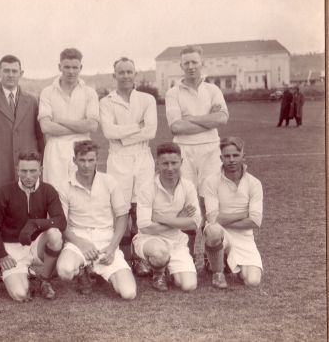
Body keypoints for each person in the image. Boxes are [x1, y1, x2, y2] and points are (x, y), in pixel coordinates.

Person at [164, 45, 229, 265]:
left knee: (211, 201)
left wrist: (191, 118)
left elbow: (221, 119)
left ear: (202, 63)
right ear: (181, 66)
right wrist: (206, 120)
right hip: (184, 151)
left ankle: (216, 258)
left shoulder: (213, 90)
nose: (191, 66)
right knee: (187, 202)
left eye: (195, 62)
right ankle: (188, 256)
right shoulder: (173, 92)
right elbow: (175, 127)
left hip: (211, 149)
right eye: (187, 63)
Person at [99, 57, 158, 276]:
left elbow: (150, 132)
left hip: (143, 157)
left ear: (135, 74)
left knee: (141, 208)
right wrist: (136, 127)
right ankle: (123, 258)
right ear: (114, 76)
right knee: (120, 209)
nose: (125, 76)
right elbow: (109, 133)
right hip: (118, 160)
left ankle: (140, 258)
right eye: (121, 72)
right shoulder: (106, 102)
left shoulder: (147, 99)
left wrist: (123, 135)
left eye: (129, 72)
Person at [56, 140, 136, 300]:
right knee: (64, 271)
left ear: (97, 160)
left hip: (106, 240)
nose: (86, 165)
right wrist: (81, 243)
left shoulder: (109, 181)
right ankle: (82, 271)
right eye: (82, 160)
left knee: (129, 293)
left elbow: (122, 216)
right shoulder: (64, 186)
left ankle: (95, 269)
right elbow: (61, 224)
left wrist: (112, 247)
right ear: (74, 160)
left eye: (91, 160)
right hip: (77, 241)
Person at [0, 151, 66, 302]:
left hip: (36, 244)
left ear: (40, 170)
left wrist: (34, 223)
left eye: (33, 171)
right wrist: (1, 255)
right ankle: (19, 272)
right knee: (20, 294)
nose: (28, 176)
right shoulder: (5, 192)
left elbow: (61, 220)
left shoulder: (48, 190)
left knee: (55, 234)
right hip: (13, 247)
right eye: (23, 171)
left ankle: (45, 279)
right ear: (17, 170)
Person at [0, 54, 44, 203]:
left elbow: (39, 137)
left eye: (14, 71)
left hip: (27, 169)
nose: (10, 75)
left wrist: (40, 166)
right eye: (6, 71)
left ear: (21, 73)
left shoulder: (32, 101)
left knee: (28, 209)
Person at [134, 142, 200, 292]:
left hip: (176, 241)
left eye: (174, 163)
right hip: (149, 240)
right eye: (165, 163)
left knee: (189, 286)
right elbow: (145, 227)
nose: (170, 168)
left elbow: (195, 223)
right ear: (158, 164)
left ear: (181, 162)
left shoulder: (188, 186)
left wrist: (161, 218)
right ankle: (158, 273)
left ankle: (167, 266)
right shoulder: (146, 188)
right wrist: (179, 219)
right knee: (159, 254)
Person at [202, 137, 263, 289]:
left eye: (235, 155)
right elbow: (212, 218)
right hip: (220, 232)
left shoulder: (254, 183)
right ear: (220, 158)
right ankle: (218, 273)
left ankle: (225, 260)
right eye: (227, 156)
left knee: (252, 281)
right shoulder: (210, 181)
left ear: (243, 156)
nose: (231, 160)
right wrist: (244, 214)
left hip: (244, 237)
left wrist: (224, 218)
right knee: (213, 230)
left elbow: (255, 221)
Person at [38, 48, 99, 194]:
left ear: (81, 68)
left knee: (81, 193)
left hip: (82, 150)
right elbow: (46, 127)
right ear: (60, 67)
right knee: (54, 194)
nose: (71, 71)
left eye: (75, 67)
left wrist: (60, 120)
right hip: (55, 151)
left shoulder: (89, 92)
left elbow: (93, 125)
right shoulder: (47, 92)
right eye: (66, 67)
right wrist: (80, 126)